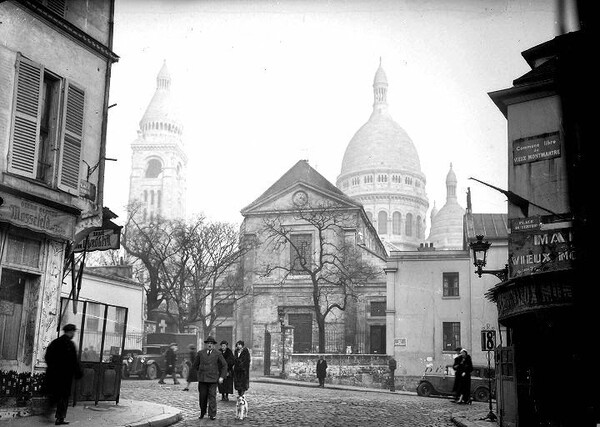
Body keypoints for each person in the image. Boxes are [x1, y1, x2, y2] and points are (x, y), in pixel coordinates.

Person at [44, 323, 83, 425]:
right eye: (73, 332)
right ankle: (60, 418)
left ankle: (48, 411)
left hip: (54, 375)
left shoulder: (55, 342)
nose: (74, 333)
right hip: (65, 376)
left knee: (55, 394)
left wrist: (53, 368)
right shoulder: (70, 345)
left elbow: (47, 357)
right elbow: (74, 361)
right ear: (70, 332)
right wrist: (78, 373)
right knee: (63, 397)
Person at [192, 336, 227, 420]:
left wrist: (222, 376)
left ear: (214, 345)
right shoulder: (201, 353)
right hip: (203, 379)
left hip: (213, 379)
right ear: (206, 344)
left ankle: (212, 414)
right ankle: (202, 412)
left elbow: (224, 365)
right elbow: (195, 365)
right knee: (202, 397)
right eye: (208, 343)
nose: (210, 345)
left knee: (212, 396)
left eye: (211, 343)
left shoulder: (218, 353)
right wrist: (200, 372)